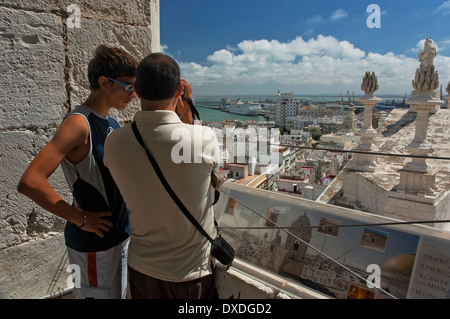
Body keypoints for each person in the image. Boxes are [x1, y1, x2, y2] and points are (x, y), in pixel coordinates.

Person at [17, 44, 138, 299]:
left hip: (118, 238)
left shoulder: (112, 123)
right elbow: (30, 181)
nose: (134, 94)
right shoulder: (78, 123)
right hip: (93, 245)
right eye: (128, 86)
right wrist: (79, 219)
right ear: (104, 82)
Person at [103, 53, 220, 299]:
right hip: (192, 271)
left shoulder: (113, 142)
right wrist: (187, 110)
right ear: (179, 90)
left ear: (136, 89)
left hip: (142, 268)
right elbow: (206, 179)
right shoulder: (203, 138)